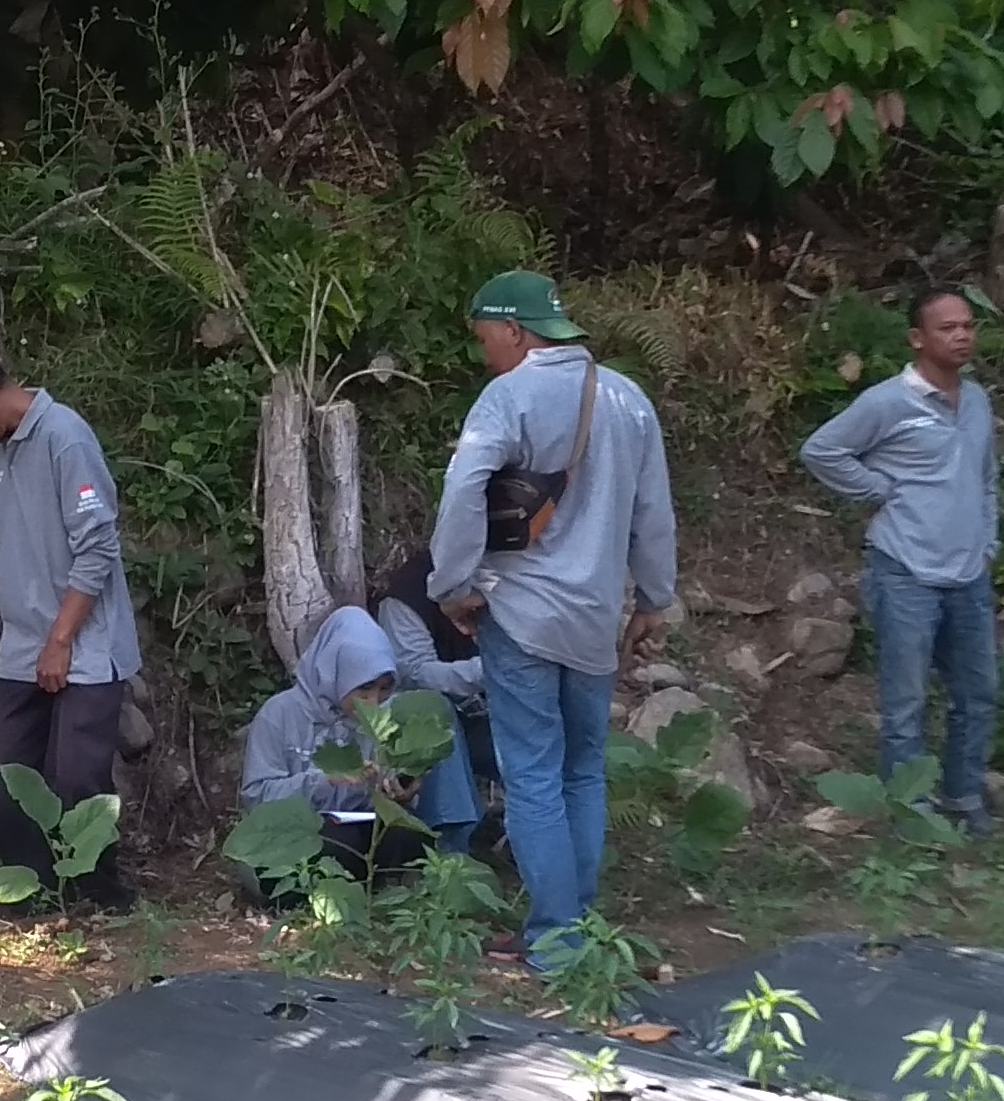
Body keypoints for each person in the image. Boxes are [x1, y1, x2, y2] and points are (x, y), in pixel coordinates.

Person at [427, 271, 678, 972]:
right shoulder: (628, 399)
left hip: (524, 613)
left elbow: (463, 490)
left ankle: (556, 938)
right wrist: (654, 598)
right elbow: (654, 510)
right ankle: (580, 926)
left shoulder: (508, 396)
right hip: (597, 619)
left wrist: (452, 584)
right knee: (583, 771)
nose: (484, 355)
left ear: (514, 330)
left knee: (532, 773)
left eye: (485, 340)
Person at [0, 344, 140, 905]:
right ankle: (30, 896)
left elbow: (96, 547)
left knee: (78, 781)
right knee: (12, 779)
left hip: (82, 639)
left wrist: (61, 641)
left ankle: (97, 894)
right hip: (23, 640)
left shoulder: (65, 438)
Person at [800, 285, 1003, 830]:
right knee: (905, 705)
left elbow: (986, 478)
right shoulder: (888, 402)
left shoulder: (978, 400)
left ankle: (963, 801)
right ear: (917, 339)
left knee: (978, 695)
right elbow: (822, 450)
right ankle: (909, 813)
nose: (962, 335)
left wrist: (988, 543)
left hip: (968, 575)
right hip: (906, 571)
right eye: (947, 328)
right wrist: (877, 487)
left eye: (967, 325)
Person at [239, 605, 482, 893]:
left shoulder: (385, 716)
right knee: (323, 848)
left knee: (404, 838)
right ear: (335, 675)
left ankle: (371, 884)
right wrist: (326, 780)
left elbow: (386, 793)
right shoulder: (280, 713)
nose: (374, 701)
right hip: (296, 834)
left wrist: (402, 793)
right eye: (363, 690)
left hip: (362, 829)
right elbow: (256, 798)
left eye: (383, 690)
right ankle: (325, 887)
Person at [372, 542, 502, 803]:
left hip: (496, 711)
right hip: (433, 720)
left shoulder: (506, 574)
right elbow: (413, 674)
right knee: (435, 709)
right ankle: (454, 831)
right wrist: (489, 671)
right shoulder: (408, 594)